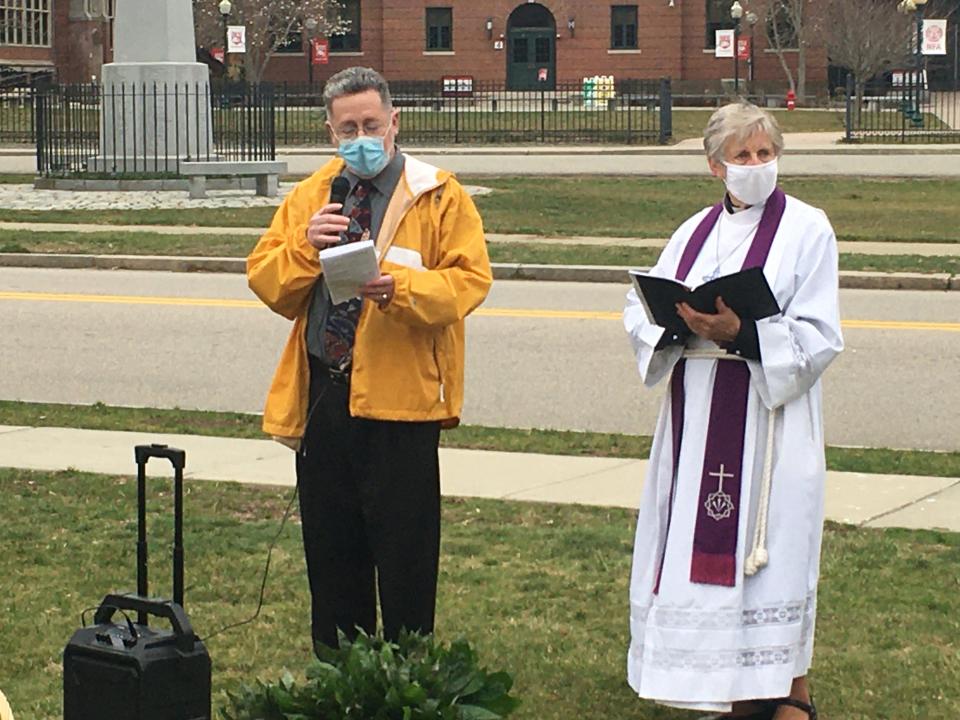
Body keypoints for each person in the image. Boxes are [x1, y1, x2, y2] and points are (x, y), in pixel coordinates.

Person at [247, 67, 492, 651]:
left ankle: (408, 680)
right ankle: (340, 679)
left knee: (405, 562)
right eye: (348, 126)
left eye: (372, 124)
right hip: (325, 401)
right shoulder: (311, 196)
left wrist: (398, 289)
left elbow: (469, 284)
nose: (361, 136)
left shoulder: (439, 195)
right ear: (330, 130)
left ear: (394, 123)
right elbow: (267, 282)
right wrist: (306, 248)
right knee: (333, 560)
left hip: (400, 409)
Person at [623, 102, 843, 720]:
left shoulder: (807, 228)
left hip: (767, 421)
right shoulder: (691, 232)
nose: (755, 166)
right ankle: (710, 681)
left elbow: (820, 332)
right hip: (696, 422)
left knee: (767, 551)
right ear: (715, 165)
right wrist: (674, 322)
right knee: (695, 547)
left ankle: (779, 690)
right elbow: (639, 308)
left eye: (765, 154)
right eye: (742, 156)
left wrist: (741, 332)